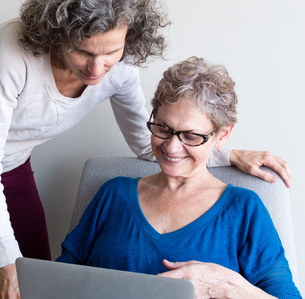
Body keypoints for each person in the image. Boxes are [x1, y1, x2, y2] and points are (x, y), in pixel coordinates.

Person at [0, 0, 291, 298]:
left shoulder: (120, 69)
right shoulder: (12, 55)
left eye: (111, 52)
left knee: (36, 271)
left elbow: (152, 142)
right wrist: (7, 268)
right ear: (56, 35)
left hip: (11, 161)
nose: (97, 69)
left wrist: (229, 154)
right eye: (83, 52)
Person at [57, 57, 301, 298]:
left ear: (222, 136)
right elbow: (59, 278)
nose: (172, 148)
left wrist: (228, 286)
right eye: (163, 128)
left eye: (191, 136)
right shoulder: (113, 194)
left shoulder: (244, 209)